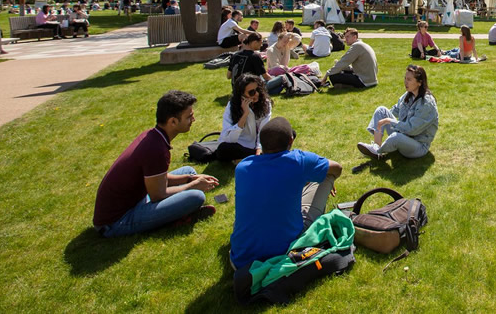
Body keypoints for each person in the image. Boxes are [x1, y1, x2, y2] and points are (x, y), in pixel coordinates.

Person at [93, 91, 218, 237]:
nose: (193, 119)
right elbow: (158, 194)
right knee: (196, 196)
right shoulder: (156, 149)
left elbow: (159, 180)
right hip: (116, 222)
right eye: (189, 117)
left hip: (137, 198)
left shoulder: (153, 136)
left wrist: (189, 179)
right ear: (173, 121)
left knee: (189, 171)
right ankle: (177, 216)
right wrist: (193, 185)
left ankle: (179, 211)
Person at [229, 117, 343, 270]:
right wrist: (319, 174)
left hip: (240, 260)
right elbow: (337, 168)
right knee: (327, 173)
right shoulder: (298, 161)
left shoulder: (243, 167)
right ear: (291, 140)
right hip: (284, 253)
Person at [358, 64, 439, 160]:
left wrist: (389, 121)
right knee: (381, 110)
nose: (405, 82)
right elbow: (395, 109)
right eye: (405, 78)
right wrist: (383, 119)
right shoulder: (408, 95)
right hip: (404, 135)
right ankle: (376, 146)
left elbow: (412, 129)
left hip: (418, 146)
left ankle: (378, 152)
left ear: (419, 82)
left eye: (409, 79)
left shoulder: (426, 103)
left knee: (396, 137)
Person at [217, 74, 273, 161]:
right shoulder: (232, 105)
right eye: (252, 92)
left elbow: (263, 130)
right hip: (240, 145)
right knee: (223, 149)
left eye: (258, 89)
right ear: (242, 94)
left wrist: (259, 148)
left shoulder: (265, 103)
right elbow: (228, 139)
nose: (257, 94)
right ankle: (261, 156)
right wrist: (245, 114)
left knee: (287, 132)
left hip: (260, 144)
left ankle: (255, 156)